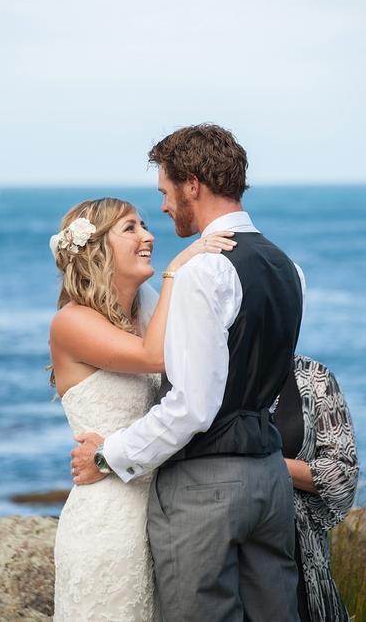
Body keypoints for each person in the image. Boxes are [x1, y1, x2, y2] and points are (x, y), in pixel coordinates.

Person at [73, 124, 306, 622]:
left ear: (192, 184)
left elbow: (193, 406)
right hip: (270, 479)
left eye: (164, 191)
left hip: (206, 486)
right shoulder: (288, 267)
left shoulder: (204, 270)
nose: (162, 207)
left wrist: (109, 455)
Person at [49, 196, 235, 621]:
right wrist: (177, 272)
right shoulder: (71, 322)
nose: (148, 235)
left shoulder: (145, 307)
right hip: (107, 520)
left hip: (164, 514)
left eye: (145, 224)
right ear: (96, 249)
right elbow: (158, 357)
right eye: (130, 228)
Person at [274, 354, 359, 622]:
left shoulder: (314, 376)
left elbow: (343, 477)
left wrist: (269, 465)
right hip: (228, 547)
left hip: (302, 553)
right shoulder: (215, 370)